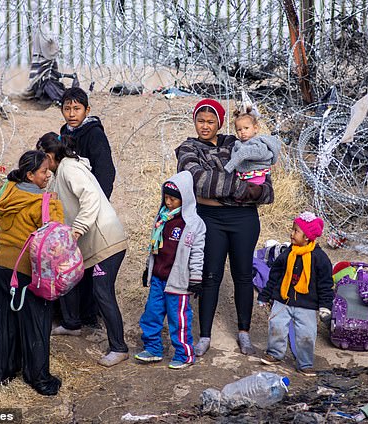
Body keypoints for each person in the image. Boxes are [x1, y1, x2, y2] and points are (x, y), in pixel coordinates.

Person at [175, 98, 274, 357]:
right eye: (200, 120)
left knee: (243, 275)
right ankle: (205, 336)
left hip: (244, 221)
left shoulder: (236, 142)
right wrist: (243, 189)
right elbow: (198, 181)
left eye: (210, 122)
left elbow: (265, 180)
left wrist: (226, 191)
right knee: (211, 276)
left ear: (219, 123)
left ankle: (244, 333)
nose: (204, 126)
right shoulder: (188, 148)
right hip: (210, 219)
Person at [37, 133, 129, 367]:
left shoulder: (70, 169)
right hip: (91, 243)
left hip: (105, 240)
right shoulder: (59, 174)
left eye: (42, 158)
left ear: (49, 156)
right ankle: (72, 323)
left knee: (102, 291)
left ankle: (119, 347)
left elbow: (90, 197)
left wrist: (77, 229)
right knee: (69, 279)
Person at [0, 150, 64, 395]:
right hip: (26, 271)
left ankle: (4, 372)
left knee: (6, 322)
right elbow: (56, 240)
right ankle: (39, 379)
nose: (48, 175)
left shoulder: (10, 192)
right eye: (44, 171)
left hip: (2, 265)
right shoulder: (46, 202)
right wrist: (54, 205)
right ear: (31, 174)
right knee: (37, 323)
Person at [135, 171, 206, 369]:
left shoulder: (193, 224)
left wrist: (196, 278)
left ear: (185, 199)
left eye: (173, 199)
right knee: (152, 314)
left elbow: (197, 253)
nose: (168, 202)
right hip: (158, 278)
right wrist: (148, 269)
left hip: (179, 281)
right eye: (165, 197)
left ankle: (184, 354)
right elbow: (154, 247)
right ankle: (153, 348)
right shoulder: (162, 218)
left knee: (179, 320)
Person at [59, 87, 116, 329]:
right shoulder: (65, 132)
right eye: (67, 109)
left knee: (92, 262)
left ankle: (91, 316)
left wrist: (97, 205)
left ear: (87, 110)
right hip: (74, 208)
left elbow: (106, 172)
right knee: (76, 261)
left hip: (91, 208)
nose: (72, 114)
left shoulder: (94, 135)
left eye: (77, 109)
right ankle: (76, 316)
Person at [257, 211, 334, 377]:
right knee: (276, 326)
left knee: (306, 335)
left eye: (296, 231)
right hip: (282, 300)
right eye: (292, 230)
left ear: (307, 237)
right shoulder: (286, 254)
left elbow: (326, 284)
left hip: (307, 305)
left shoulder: (320, 258)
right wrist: (265, 295)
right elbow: (275, 276)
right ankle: (275, 354)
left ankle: (305, 364)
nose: (291, 234)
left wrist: (325, 306)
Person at [223, 107, 281, 185]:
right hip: (243, 177)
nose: (243, 132)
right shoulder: (238, 144)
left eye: (246, 128)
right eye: (239, 130)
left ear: (255, 129)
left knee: (251, 193)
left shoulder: (257, 142)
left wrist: (228, 168)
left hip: (256, 176)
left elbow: (259, 152)